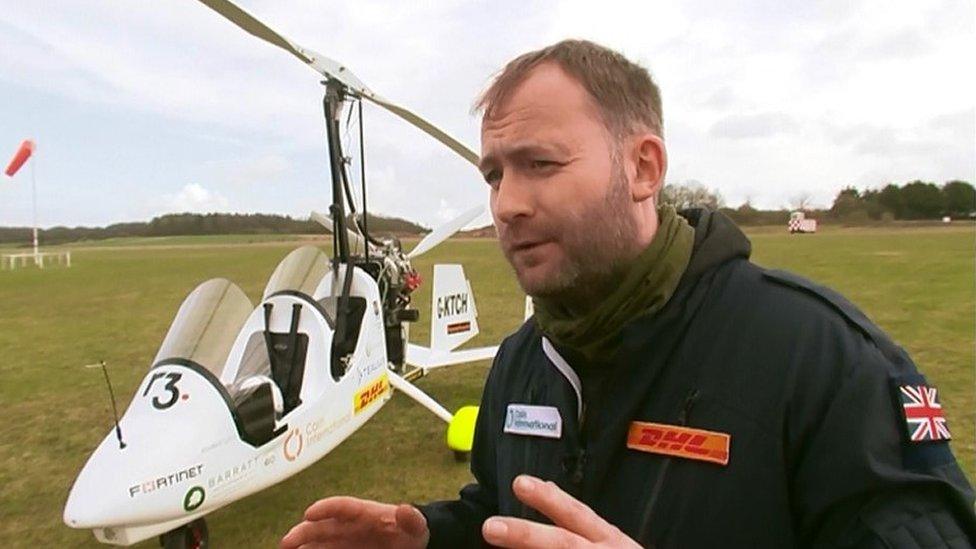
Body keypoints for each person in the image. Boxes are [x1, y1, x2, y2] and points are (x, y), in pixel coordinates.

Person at [280, 40, 976, 548]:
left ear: (643, 167)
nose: (506, 204)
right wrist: (435, 536)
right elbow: (501, 510)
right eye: (493, 175)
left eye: (540, 164)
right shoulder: (524, 361)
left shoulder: (822, 359)